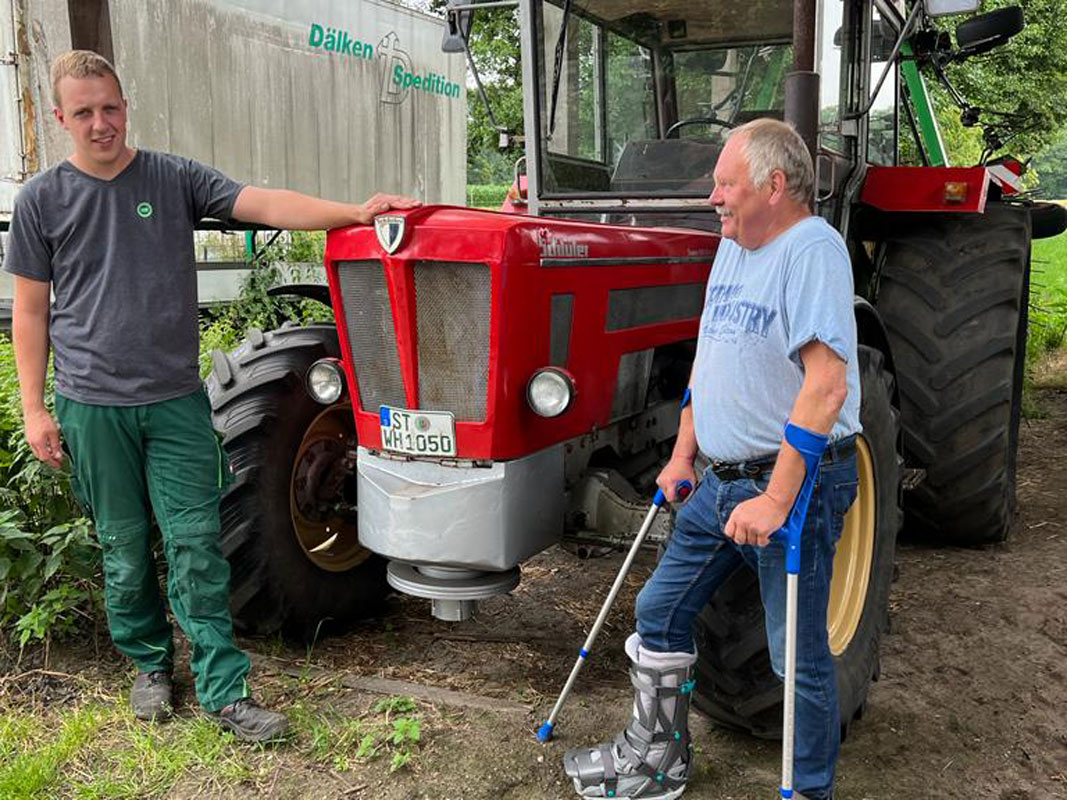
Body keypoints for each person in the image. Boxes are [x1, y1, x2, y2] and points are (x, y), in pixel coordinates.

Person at [3, 50, 419, 743]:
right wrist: (35, 406)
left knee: (198, 543)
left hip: (173, 403)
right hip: (91, 405)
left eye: (109, 107)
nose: (100, 124)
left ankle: (225, 689)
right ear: (60, 119)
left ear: (124, 104)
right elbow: (30, 312)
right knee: (125, 546)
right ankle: (149, 665)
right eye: (83, 113)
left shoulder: (170, 178)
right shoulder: (43, 199)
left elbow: (262, 201)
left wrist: (354, 211)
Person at [563, 118, 861, 800]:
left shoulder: (810, 249)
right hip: (716, 484)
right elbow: (712, 353)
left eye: (724, 184)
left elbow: (826, 386)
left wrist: (777, 500)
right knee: (658, 610)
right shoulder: (733, 247)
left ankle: (809, 789)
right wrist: (681, 452)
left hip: (792, 484)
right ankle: (657, 761)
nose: (713, 198)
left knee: (795, 654)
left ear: (773, 185)